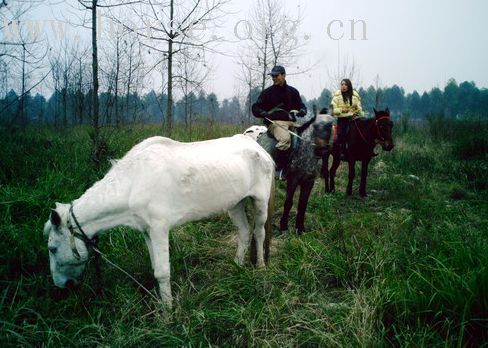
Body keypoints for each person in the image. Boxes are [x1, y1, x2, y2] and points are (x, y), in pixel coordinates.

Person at [252, 65, 307, 178]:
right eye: (272, 76)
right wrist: (263, 113)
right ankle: (278, 168)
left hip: (292, 122)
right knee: (285, 139)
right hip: (275, 123)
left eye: (276, 75)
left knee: (307, 138)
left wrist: (302, 110)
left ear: (283, 75)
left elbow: (301, 105)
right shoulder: (267, 93)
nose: (273, 78)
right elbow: (255, 107)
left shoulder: (293, 91)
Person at [330, 78, 364, 159]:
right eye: (342, 84)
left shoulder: (355, 96)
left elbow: (360, 110)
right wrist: (341, 110)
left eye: (345, 84)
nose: (343, 86)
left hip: (354, 118)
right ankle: (342, 151)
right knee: (341, 134)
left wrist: (357, 109)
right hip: (342, 119)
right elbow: (332, 109)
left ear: (349, 86)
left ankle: (364, 150)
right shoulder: (336, 96)